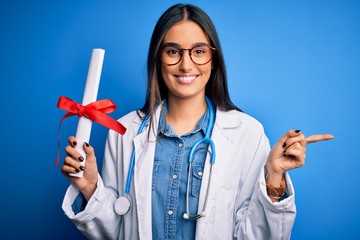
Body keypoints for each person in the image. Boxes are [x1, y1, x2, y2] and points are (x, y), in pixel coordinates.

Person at [61, 3, 334, 240]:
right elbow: (115, 231)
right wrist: (90, 189)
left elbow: (257, 235)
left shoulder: (246, 133)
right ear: (158, 59)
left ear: (213, 59)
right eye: (173, 52)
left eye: (199, 51)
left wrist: (274, 176)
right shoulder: (124, 131)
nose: (186, 65)